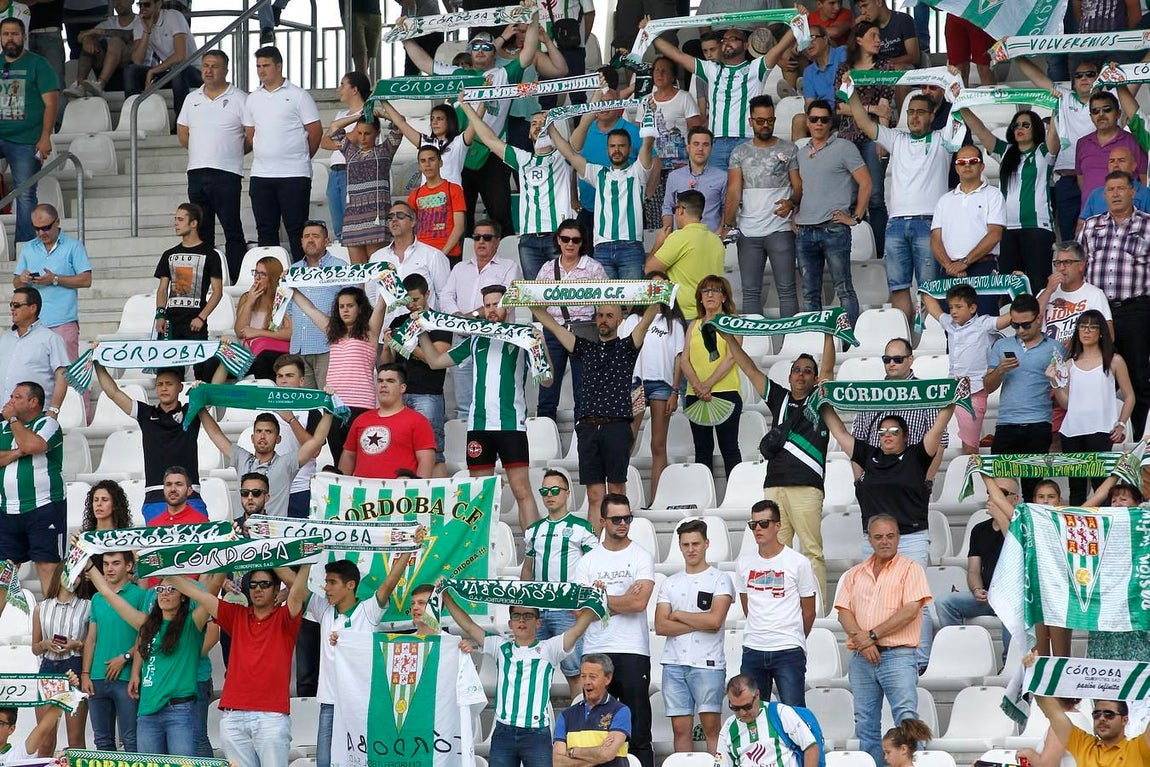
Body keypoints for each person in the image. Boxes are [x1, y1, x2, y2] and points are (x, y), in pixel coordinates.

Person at [414, 284, 546, 531]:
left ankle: (534, 550)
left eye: (497, 304)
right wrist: (421, 329)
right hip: (479, 425)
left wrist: (541, 344)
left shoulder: (522, 335)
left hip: (511, 424)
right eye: (487, 305)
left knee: (521, 490)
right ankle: (480, 554)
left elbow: (547, 380)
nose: (492, 309)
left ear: (509, 305)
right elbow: (435, 361)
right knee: (479, 496)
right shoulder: (475, 339)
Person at [722, 331, 836, 597]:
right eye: (797, 369)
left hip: (807, 487)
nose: (801, 374)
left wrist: (829, 334)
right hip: (773, 488)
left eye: (808, 371)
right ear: (789, 375)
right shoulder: (780, 398)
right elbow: (749, 369)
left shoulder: (820, 398)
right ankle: (782, 605)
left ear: (815, 378)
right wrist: (729, 340)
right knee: (777, 553)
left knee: (811, 552)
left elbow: (829, 367)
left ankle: (816, 612)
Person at [530, 300, 662, 529]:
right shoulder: (585, 348)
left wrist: (658, 294)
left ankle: (620, 538)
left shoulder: (627, 346)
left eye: (609, 315)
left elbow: (649, 317)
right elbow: (555, 327)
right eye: (599, 315)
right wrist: (530, 305)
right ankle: (594, 545)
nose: (603, 320)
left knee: (617, 490)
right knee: (594, 493)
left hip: (617, 426)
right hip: (588, 427)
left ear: (620, 319)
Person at [401, 24, 539, 236]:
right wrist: (405, 36)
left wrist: (533, 18)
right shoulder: (458, 74)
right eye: (475, 46)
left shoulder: (504, 73)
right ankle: (461, 266)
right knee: (460, 217)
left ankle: (506, 265)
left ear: (495, 52)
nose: (481, 50)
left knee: (500, 214)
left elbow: (528, 52)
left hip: (492, 153)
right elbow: (424, 63)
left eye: (486, 46)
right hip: (459, 153)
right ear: (469, 51)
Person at [170, 563, 312, 767]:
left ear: (276, 588)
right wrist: (157, 568)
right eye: (253, 585)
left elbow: (297, 591)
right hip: (234, 716)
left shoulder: (285, 617)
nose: (258, 589)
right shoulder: (237, 615)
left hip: (271, 716)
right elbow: (196, 593)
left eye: (265, 584)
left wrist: (306, 561)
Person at [444, 588, 597, 767]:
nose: (522, 620)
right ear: (510, 623)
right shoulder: (499, 646)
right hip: (503, 732)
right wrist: (446, 596)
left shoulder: (549, 648)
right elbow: (469, 626)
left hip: (536, 734)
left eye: (528, 616)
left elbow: (578, 630)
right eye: (516, 616)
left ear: (538, 622)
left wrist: (595, 599)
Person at [846, 86, 956, 325]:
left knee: (930, 289)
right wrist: (850, 91)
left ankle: (932, 342)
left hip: (929, 223)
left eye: (920, 112)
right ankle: (904, 339)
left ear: (932, 116)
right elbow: (863, 122)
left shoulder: (943, 139)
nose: (914, 116)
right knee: (899, 288)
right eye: (910, 112)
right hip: (895, 224)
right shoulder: (897, 139)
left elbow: (960, 114)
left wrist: (954, 88)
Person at [86, 565, 222, 756]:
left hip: (180, 711)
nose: (164, 594)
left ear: (182, 595)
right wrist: (90, 566)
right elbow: (110, 595)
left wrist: (228, 556)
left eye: (171, 589)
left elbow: (213, 589)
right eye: (160, 589)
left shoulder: (192, 624)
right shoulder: (146, 624)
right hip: (147, 712)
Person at [835, 515, 932, 767]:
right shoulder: (854, 574)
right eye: (878, 537)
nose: (885, 541)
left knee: (906, 720)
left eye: (890, 535)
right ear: (869, 539)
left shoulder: (911, 569)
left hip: (898, 655)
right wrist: (865, 643)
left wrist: (871, 636)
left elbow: (911, 610)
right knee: (865, 723)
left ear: (899, 537)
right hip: (861, 657)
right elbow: (843, 611)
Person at [303, 555, 416, 767]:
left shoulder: (368, 611)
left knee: (361, 761)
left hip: (361, 703)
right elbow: (296, 587)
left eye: (332, 582)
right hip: (330, 703)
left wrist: (409, 549)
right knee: (325, 762)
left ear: (351, 585)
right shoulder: (324, 610)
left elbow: (390, 581)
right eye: (326, 582)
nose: (326, 588)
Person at [573, 494, 654, 767]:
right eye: (616, 519)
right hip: (596, 650)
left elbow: (639, 602)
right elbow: (579, 610)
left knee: (638, 730)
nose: (623, 523)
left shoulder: (641, 555)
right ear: (602, 521)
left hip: (633, 650)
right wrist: (621, 602)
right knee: (594, 729)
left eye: (627, 518)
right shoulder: (587, 561)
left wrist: (600, 602)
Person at [648, 23, 791, 170]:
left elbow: (780, 47)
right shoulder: (711, 69)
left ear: (746, 45)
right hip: (716, 142)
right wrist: (651, 35)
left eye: (733, 38)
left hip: (746, 141)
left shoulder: (756, 68)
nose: (727, 42)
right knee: (717, 190)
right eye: (724, 40)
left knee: (743, 190)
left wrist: (799, 23)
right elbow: (677, 55)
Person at [460, 100, 575, 281]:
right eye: (534, 124)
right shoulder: (523, 158)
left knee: (562, 296)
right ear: (529, 134)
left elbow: (582, 127)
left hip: (558, 235)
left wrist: (597, 93)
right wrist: (467, 107)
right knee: (533, 297)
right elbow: (489, 139)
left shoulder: (564, 156)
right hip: (528, 240)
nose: (538, 127)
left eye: (543, 123)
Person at [1078, 170, 1150, 435]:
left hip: (1135, 310)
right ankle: (1099, 435)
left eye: (1121, 188)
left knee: (1139, 376)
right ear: (1103, 194)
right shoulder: (1091, 225)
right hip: (1097, 312)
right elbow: (1078, 266)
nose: (1116, 194)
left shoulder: (1148, 225)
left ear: (1134, 192)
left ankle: (1140, 439)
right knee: (1098, 375)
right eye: (1111, 189)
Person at [549, 106, 656, 280]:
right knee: (606, 306)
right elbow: (569, 154)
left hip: (630, 247)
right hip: (602, 247)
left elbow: (647, 143)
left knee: (631, 301)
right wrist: (551, 128)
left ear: (629, 149)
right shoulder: (598, 173)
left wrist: (650, 113)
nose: (616, 150)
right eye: (612, 146)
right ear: (607, 149)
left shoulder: (638, 172)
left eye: (621, 146)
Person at [655, 518, 734, 753]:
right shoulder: (670, 582)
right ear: (680, 546)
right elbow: (661, 626)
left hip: (708, 664)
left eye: (695, 544)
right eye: (686, 544)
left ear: (706, 543)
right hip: (674, 663)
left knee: (712, 728)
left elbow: (715, 621)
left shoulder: (720, 579)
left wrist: (678, 614)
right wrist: (700, 621)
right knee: (680, 729)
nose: (691, 549)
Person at [93, 362, 207, 523]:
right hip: (155, 498)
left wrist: (223, 358)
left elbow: (214, 393)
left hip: (190, 495)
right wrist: (98, 363)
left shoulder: (192, 411)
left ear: (180, 387)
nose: (164, 388)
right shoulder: (146, 414)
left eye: (169, 384)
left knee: (197, 547)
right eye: (159, 384)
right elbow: (113, 393)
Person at [960, 107, 1059, 291]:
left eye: (1025, 125)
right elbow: (980, 130)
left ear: (1036, 128)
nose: (1019, 128)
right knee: (1007, 288)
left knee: (1038, 285)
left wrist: (1057, 105)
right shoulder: (1005, 152)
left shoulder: (1044, 152)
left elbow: (1054, 131)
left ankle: (1038, 320)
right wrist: (962, 105)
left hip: (1037, 228)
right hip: (1006, 229)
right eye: (1016, 125)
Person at [719, 96, 801, 318]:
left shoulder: (790, 149)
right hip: (749, 231)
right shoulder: (739, 152)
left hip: (780, 229)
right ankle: (754, 345)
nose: (765, 125)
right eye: (760, 121)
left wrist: (792, 202)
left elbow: (798, 186)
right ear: (750, 121)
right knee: (750, 292)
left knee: (786, 290)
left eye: (770, 120)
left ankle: (791, 342)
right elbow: (734, 190)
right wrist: (727, 223)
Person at [792, 99, 871, 324]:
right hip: (805, 230)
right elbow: (799, 188)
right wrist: (794, 214)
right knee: (809, 293)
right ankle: (814, 341)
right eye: (814, 119)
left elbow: (866, 183)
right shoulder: (800, 151)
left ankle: (848, 340)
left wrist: (855, 218)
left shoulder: (844, 147)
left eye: (824, 119)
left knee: (843, 289)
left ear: (831, 122)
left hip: (834, 228)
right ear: (807, 122)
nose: (819, 123)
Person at [521, 469, 597, 699]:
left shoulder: (581, 527)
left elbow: (595, 566)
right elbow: (528, 568)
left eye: (555, 490)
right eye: (544, 491)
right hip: (539, 610)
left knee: (574, 673)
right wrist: (525, 604)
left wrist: (584, 603)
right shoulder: (533, 530)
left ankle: (578, 727)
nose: (549, 495)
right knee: (533, 669)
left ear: (567, 493)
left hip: (568, 608)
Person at [243, 46, 322, 264]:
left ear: (279, 66)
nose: (261, 70)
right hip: (261, 175)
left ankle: (302, 277)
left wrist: (301, 156)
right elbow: (250, 135)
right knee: (266, 231)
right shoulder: (252, 99)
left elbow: (315, 131)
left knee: (297, 230)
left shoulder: (298, 95)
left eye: (266, 65)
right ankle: (270, 281)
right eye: (258, 66)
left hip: (294, 174)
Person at [288, 285, 386, 457]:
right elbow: (309, 308)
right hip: (334, 404)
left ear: (360, 308)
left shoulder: (370, 332)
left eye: (350, 306)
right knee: (338, 457)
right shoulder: (333, 332)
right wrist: (289, 286)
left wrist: (388, 276)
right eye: (341, 306)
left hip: (361, 404)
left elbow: (381, 303)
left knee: (362, 457)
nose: (345, 310)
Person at [985, 293, 1068, 498]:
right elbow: (987, 386)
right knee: (1002, 488)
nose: (1020, 330)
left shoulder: (1055, 348)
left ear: (1039, 319)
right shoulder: (1002, 346)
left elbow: (1063, 388)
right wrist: (1000, 370)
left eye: (1025, 325)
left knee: (1033, 489)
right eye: (1015, 325)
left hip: (1039, 424)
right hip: (1006, 423)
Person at [1049, 310, 1135, 503]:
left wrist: (1121, 423)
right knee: (1076, 488)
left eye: (1092, 327)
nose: (1086, 331)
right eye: (1082, 326)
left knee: (1102, 486)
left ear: (1101, 332)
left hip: (1101, 429)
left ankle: (1103, 529)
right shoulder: (1070, 364)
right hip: (1072, 431)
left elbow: (1129, 396)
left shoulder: (1113, 361)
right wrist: (1054, 383)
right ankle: (1077, 530)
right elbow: (1066, 403)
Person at [440, 219, 523, 419]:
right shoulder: (460, 267)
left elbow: (505, 301)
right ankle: (466, 449)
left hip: (495, 340)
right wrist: (459, 318)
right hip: (463, 338)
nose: (481, 242)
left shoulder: (509, 266)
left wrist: (471, 317)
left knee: (495, 400)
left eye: (487, 237)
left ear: (498, 241)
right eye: (476, 237)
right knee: (463, 405)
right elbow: (445, 296)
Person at [176, 49, 248, 279]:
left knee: (231, 228)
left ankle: (236, 277)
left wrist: (230, 151)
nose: (208, 70)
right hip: (196, 172)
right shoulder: (192, 98)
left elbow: (251, 135)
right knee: (200, 229)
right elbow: (183, 133)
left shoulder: (240, 98)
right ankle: (206, 278)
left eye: (214, 66)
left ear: (226, 70)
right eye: (205, 65)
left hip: (227, 173)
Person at [920, 284, 1012, 454]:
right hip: (951, 390)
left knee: (970, 446)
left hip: (975, 391)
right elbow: (931, 304)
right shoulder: (949, 322)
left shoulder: (984, 323)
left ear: (972, 308)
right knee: (935, 435)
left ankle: (973, 478)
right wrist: (925, 289)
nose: (953, 311)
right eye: (951, 307)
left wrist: (1019, 288)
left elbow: (1011, 317)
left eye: (958, 307)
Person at [533, 219, 608, 424]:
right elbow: (535, 302)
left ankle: (583, 437)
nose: (570, 244)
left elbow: (607, 303)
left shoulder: (594, 268)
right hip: (552, 331)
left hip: (584, 330)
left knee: (584, 390)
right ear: (558, 240)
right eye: (565, 239)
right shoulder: (547, 269)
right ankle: (544, 436)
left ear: (582, 242)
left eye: (575, 240)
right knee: (547, 388)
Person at [932, 475, 1015, 657]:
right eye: (990, 492)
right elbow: (973, 570)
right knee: (944, 602)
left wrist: (1002, 519)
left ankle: (1009, 662)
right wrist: (977, 588)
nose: (993, 497)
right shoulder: (979, 529)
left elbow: (1018, 551)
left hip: (1014, 597)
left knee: (1012, 610)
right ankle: (958, 654)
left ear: (1015, 499)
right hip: (988, 596)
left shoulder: (1022, 526)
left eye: (1001, 493)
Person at [1016, 57, 1098, 240]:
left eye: (1090, 74)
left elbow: (1136, 79)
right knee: (1069, 241)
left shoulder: (1109, 100)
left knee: (1099, 239)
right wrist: (1016, 54)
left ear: (1098, 77)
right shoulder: (1064, 96)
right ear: (1073, 81)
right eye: (1078, 75)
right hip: (1066, 180)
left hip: (1098, 180)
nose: (1084, 78)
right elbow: (1036, 77)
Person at [200, 409, 332, 518]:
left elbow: (316, 441)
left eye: (268, 432)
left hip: (274, 539)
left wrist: (328, 411)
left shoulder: (286, 464)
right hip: (243, 536)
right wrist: (201, 408)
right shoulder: (242, 459)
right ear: (252, 438)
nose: (262, 436)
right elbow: (215, 434)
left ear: (278, 439)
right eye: (259, 431)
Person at [378, 275, 449, 476]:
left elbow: (437, 359)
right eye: (408, 301)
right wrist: (388, 344)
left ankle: (438, 502)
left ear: (427, 294)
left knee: (434, 452)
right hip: (399, 395)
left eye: (416, 300)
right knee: (402, 450)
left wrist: (406, 345)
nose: (412, 306)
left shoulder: (439, 321)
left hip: (428, 393)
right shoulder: (399, 321)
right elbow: (386, 364)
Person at [833, 20, 892, 259]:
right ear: (858, 39)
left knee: (876, 197)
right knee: (851, 196)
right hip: (848, 139)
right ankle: (854, 249)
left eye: (879, 36)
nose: (878, 40)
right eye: (873, 35)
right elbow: (839, 107)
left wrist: (882, 139)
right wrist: (871, 108)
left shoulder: (885, 67)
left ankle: (879, 252)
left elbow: (886, 109)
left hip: (872, 138)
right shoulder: (845, 68)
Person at [848, 338, 950, 476]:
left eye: (898, 359)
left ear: (910, 359)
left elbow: (940, 441)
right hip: (874, 478)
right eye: (886, 359)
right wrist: (859, 480)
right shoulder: (871, 394)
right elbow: (858, 440)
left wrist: (928, 480)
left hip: (911, 477)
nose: (891, 364)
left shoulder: (925, 393)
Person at [0, 381, 64, 597]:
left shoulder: (49, 424)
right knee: (4, 572)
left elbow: (33, 445)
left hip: (44, 507)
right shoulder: (2, 427)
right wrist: (19, 452)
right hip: (8, 510)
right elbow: (24, 449)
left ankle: (52, 627)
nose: (10, 401)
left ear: (33, 402)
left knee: (48, 567)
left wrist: (14, 420)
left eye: (17, 397)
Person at [80, 550, 147, 753]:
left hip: (126, 677)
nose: (109, 568)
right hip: (97, 677)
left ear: (129, 566)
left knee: (131, 740)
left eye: (116, 563)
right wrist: (85, 674)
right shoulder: (98, 598)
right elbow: (91, 639)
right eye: (106, 564)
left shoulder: (140, 595)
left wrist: (125, 657)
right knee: (102, 742)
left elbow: (145, 634)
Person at [0, 18, 58, 246]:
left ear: (24, 37)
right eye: (5, 34)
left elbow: (51, 104)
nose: (10, 39)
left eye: (14, 34)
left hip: (26, 140)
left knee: (24, 193)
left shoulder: (39, 64)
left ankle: (24, 247)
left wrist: (45, 137)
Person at [930, 145, 1006, 315]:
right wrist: (949, 265)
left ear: (982, 166)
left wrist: (964, 263)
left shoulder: (993, 195)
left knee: (985, 324)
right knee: (953, 328)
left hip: (983, 267)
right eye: (961, 162)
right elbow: (935, 239)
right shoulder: (944, 200)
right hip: (950, 271)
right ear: (956, 167)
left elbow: (995, 234)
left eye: (972, 161)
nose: (967, 165)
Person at [680, 275, 742, 479]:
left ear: (724, 297)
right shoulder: (693, 325)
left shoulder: (734, 322)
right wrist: (698, 385)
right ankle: (702, 498)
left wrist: (707, 384)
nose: (709, 295)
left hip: (726, 392)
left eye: (715, 291)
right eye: (705, 291)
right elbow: (684, 360)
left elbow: (733, 357)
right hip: (694, 394)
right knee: (702, 450)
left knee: (729, 448)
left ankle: (737, 495)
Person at [153, 203, 224, 380]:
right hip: (171, 321)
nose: (176, 223)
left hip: (195, 321)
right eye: (175, 219)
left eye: (180, 219)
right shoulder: (169, 254)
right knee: (169, 372)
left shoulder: (211, 254)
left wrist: (201, 317)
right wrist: (160, 314)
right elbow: (162, 289)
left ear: (193, 223)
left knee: (202, 372)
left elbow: (218, 292)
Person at [324, 107, 403, 264]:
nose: (362, 138)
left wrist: (382, 113)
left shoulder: (385, 151)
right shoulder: (350, 152)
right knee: (358, 273)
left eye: (367, 133)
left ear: (377, 133)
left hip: (376, 218)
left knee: (376, 271)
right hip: (353, 220)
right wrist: (358, 116)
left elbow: (401, 124)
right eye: (359, 133)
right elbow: (333, 127)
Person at [10, 204, 88, 361]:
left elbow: (86, 279)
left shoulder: (74, 246)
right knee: (36, 373)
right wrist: (22, 279)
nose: (41, 233)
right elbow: (16, 284)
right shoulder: (28, 248)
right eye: (36, 229)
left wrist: (55, 279)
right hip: (33, 323)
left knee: (69, 373)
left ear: (57, 222)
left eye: (45, 228)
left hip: (63, 321)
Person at [30, 560, 90, 754]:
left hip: (74, 665)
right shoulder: (41, 607)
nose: (74, 578)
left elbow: (90, 643)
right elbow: (35, 648)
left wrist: (76, 643)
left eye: (78, 574)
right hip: (47, 667)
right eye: (69, 572)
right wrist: (45, 644)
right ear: (59, 574)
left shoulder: (87, 606)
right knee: (45, 740)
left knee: (75, 739)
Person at [338, 364, 436, 479]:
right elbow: (349, 455)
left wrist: (417, 490)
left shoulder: (418, 420)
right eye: (380, 381)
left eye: (390, 381)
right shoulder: (361, 420)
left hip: (399, 493)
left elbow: (426, 460)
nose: (383, 385)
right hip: (363, 494)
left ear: (402, 388)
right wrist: (340, 485)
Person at [648, 189, 724, 322]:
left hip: (683, 316)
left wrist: (658, 242)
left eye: (675, 208)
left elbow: (649, 269)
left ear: (681, 210)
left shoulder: (679, 237)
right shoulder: (716, 240)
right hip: (711, 314)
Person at [285, 221, 345, 388]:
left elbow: (353, 304)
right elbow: (289, 308)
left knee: (330, 402)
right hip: (298, 348)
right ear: (301, 241)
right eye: (306, 236)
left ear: (326, 241)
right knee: (305, 407)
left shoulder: (340, 267)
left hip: (328, 347)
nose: (310, 240)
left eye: (316, 236)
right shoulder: (293, 270)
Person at [716, 674, 820, 767]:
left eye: (747, 706)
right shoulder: (728, 727)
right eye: (735, 708)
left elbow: (811, 747)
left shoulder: (780, 713)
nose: (742, 713)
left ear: (757, 695)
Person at [368, 199, 451, 311]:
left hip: (422, 327)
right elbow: (371, 297)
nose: (394, 219)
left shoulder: (433, 255)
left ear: (413, 222)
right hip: (386, 327)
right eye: (390, 217)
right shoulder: (376, 257)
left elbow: (444, 297)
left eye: (400, 215)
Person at [552, 654, 632, 767]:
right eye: (583, 676)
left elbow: (607, 754)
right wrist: (597, 756)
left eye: (592, 677)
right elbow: (557, 762)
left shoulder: (621, 711)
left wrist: (573, 751)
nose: (587, 682)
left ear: (607, 678)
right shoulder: (566, 715)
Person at [319, 71, 370, 242]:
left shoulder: (367, 112)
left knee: (351, 226)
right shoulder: (340, 115)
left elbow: (355, 138)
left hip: (353, 170)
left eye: (342, 84)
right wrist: (343, 144)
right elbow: (324, 142)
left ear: (354, 89)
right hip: (335, 172)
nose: (338, 89)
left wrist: (340, 140)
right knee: (339, 227)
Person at [124, 0, 198, 115]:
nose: (143, 8)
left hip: (192, 71)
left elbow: (180, 56)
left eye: (147, 4)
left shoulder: (173, 16)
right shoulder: (140, 23)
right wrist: (146, 31)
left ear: (158, 4)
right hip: (171, 73)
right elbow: (137, 60)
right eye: (140, 5)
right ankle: (135, 119)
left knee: (177, 71)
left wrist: (153, 71)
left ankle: (181, 124)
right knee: (131, 70)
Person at [1034, 694, 1150, 766]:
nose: (1102, 719)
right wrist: (1033, 671)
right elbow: (1050, 709)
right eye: (1096, 714)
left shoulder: (1140, 748)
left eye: (1109, 714)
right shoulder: (1083, 744)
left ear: (1125, 720)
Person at [378, 100, 471, 188]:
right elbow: (400, 122)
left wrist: (482, 103)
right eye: (432, 119)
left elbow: (476, 123)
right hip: (427, 199)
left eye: (439, 119)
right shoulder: (425, 142)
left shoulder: (458, 142)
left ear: (450, 121)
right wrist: (382, 99)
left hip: (452, 197)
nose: (434, 122)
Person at [1039, 240, 1113, 349]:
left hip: (1079, 356)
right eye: (1057, 263)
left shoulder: (1095, 294)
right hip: (1045, 355)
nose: (1061, 268)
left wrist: (1077, 343)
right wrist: (1049, 290)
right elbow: (1030, 322)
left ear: (1081, 265)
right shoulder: (1045, 293)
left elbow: (1109, 335)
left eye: (1067, 262)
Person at [1076, 91, 1146, 203]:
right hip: (1090, 216)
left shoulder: (1133, 141)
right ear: (1091, 116)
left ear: (1118, 113)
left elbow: (1144, 178)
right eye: (1095, 111)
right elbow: (1082, 180)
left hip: (1127, 216)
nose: (1101, 114)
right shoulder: (1082, 143)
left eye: (1107, 109)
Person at [657, 126, 725, 238]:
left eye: (705, 144)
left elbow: (725, 208)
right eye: (696, 144)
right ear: (688, 148)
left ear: (711, 149)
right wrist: (668, 233)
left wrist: (720, 233)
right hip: (681, 240)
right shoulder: (674, 176)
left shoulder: (722, 177)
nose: (700, 149)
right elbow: (668, 207)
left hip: (710, 238)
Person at [233, 257, 291, 381]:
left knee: (264, 358)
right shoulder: (246, 297)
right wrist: (249, 303)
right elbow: (240, 332)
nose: (257, 278)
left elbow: (290, 333)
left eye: (263, 274)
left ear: (273, 278)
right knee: (211, 363)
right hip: (248, 355)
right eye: (256, 273)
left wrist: (258, 333)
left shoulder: (282, 300)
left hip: (270, 354)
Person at [407, 145, 467, 262]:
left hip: (449, 253)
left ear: (440, 163)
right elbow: (408, 227)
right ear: (419, 166)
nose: (427, 164)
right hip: (422, 255)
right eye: (423, 161)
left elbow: (459, 226)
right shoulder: (415, 194)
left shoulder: (454, 189)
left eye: (432, 159)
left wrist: (442, 254)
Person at [63, 0, 134, 98]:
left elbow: (129, 34)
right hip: (107, 66)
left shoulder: (140, 20)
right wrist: (87, 39)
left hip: (131, 65)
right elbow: (80, 37)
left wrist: (100, 32)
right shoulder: (110, 21)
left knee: (115, 41)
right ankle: (79, 85)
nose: (118, 3)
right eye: (115, 0)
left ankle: (100, 84)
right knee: (89, 44)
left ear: (132, 1)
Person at [0, 679, 82, 765]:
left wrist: (67, 688)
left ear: (11, 729)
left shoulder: (17, 754)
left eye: (0, 723)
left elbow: (43, 728)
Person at [1078, 146, 1150, 228]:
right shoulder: (1096, 194)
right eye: (1112, 161)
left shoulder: (1146, 194)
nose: (1116, 165)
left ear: (1133, 166)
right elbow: (1081, 224)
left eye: (1121, 160)